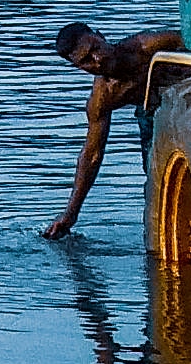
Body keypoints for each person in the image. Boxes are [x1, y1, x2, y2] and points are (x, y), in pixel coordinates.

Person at [41, 20, 182, 240]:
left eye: (95, 48)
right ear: (79, 67)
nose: (97, 61)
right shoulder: (103, 96)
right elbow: (92, 154)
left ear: (101, 35)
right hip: (152, 113)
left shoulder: (148, 46)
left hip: (189, 95)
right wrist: (70, 215)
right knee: (157, 177)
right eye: (86, 61)